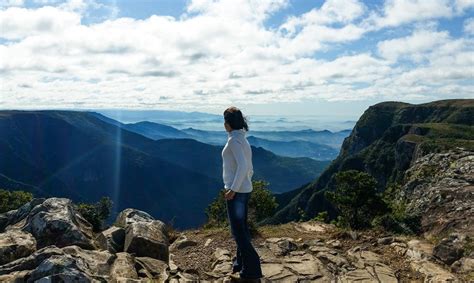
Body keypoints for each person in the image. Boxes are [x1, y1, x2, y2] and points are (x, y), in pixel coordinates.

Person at [221, 106, 263, 282]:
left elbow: (243, 166)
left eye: (225, 121)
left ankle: (252, 269)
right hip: (244, 190)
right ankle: (240, 263)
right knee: (242, 229)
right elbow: (249, 168)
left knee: (238, 232)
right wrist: (245, 183)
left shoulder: (233, 141)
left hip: (237, 193)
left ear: (228, 124)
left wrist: (233, 189)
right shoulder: (242, 139)